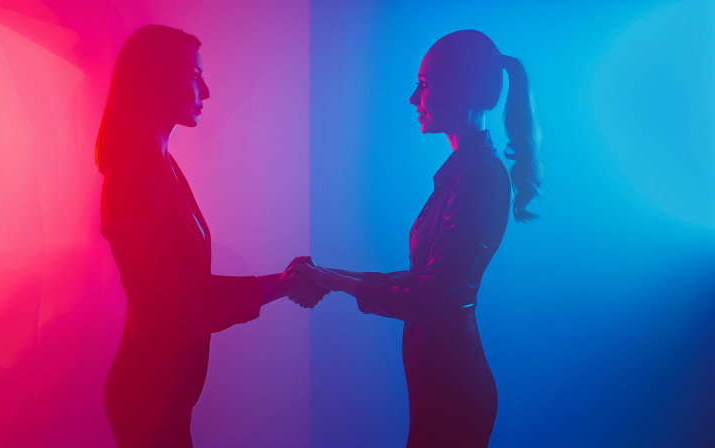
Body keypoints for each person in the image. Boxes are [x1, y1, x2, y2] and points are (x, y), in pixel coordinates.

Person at [293, 30, 543, 447]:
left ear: (461, 88)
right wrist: (326, 274)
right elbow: (422, 278)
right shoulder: (464, 173)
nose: (414, 98)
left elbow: (427, 298)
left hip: (453, 391)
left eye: (424, 85)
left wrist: (333, 281)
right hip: (440, 384)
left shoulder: (480, 178)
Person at [96, 25, 324, 448]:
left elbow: (190, 288)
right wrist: (281, 287)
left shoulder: (161, 166)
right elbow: (173, 307)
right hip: (148, 393)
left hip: (169, 391)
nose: (207, 89)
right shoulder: (132, 176)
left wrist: (281, 281)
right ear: (155, 79)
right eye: (193, 74)